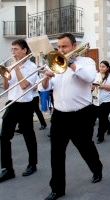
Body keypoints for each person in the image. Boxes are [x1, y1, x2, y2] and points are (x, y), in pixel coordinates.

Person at [43, 33, 103, 200]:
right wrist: (46, 79)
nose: (60, 50)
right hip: (60, 115)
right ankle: (57, 189)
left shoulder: (87, 62)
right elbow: (46, 88)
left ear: (74, 47)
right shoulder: (55, 63)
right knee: (56, 153)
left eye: (64, 46)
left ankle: (97, 168)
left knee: (85, 147)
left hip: (81, 114)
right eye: (59, 47)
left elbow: (90, 78)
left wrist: (71, 64)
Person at [0, 39, 38, 183]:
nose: (13, 52)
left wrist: (16, 68)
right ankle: (8, 169)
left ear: (25, 50)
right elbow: (6, 87)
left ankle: (32, 164)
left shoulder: (32, 67)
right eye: (12, 49)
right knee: (4, 137)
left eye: (16, 49)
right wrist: (5, 75)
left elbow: (24, 86)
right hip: (12, 102)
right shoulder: (11, 66)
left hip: (25, 104)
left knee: (28, 135)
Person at [92, 60, 110, 143]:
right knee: (102, 117)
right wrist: (92, 87)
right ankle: (109, 127)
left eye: (103, 66)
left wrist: (101, 86)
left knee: (102, 119)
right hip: (96, 99)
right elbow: (92, 85)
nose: (101, 68)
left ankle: (100, 136)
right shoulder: (96, 75)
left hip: (107, 101)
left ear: (107, 68)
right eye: (100, 66)